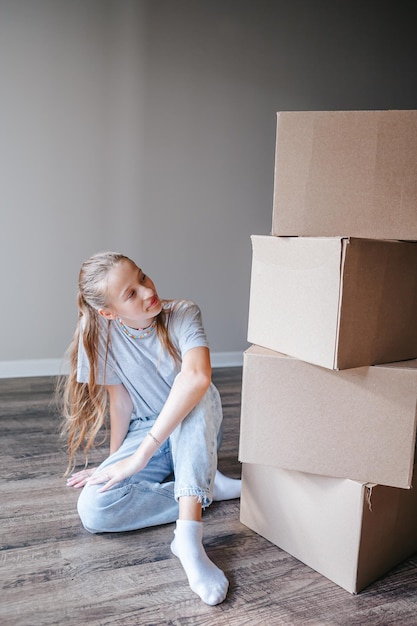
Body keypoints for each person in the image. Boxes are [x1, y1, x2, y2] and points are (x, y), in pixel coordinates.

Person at [60, 251, 241, 606]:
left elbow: (198, 377)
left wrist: (139, 459)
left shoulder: (183, 313)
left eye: (142, 278)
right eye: (130, 293)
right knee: (94, 509)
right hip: (147, 431)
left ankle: (188, 540)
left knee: (193, 393)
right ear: (108, 312)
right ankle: (203, 488)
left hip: (195, 420)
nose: (146, 292)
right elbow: (121, 402)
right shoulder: (98, 334)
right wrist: (116, 463)